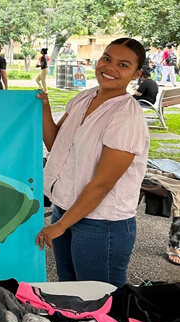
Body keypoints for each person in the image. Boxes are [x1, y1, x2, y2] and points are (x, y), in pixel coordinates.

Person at [36, 38, 150, 287]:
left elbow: (102, 184)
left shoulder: (126, 116)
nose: (110, 68)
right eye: (107, 58)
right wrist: (45, 108)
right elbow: (58, 147)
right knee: (70, 290)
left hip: (102, 224)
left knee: (100, 301)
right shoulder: (84, 98)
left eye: (123, 64)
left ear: (136, 74)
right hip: (65, 207)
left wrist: (60, 226)